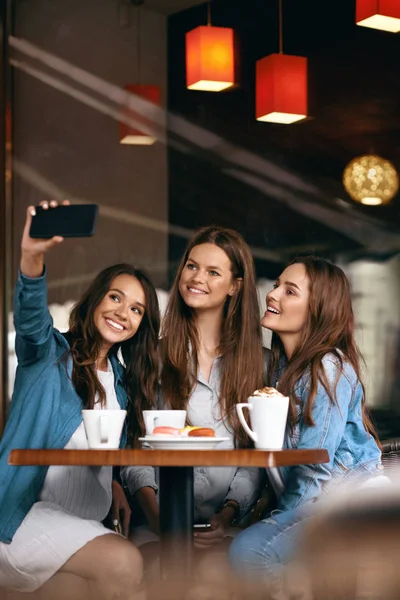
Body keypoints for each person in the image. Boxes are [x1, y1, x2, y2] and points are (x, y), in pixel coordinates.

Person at [0, 201, 160, 600]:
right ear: (95, 301)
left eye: (136, 309)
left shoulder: (123, 383)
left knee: (78, 590)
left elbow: (103, 451)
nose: (123, 313)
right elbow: (31, 317)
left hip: (81, 527)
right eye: (116, 298)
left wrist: (117, 484)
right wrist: (32, 255)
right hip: (22, 519)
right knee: (125, 562)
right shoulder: (49, 356)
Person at [229, 256, 382, 578]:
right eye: (276, 286)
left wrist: (275, 518)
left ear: (318, 309)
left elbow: (315, 466)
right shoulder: (281, 370)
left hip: (349, 500)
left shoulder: (328, 367)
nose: (272, 295)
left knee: (250, 551)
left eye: (290, 291)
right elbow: (276, 459)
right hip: (318, 502)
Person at [122, 225, 266, 560]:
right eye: (191, 266)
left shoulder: (260, 364)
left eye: (213, 272)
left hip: (225, 528)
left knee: (213, 583)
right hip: (155, 525)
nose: (197, 277)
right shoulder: (151, 356)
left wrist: (226, 515)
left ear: (235, 286)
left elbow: (254, 458)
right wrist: (161, 519)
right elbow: (134, 450)